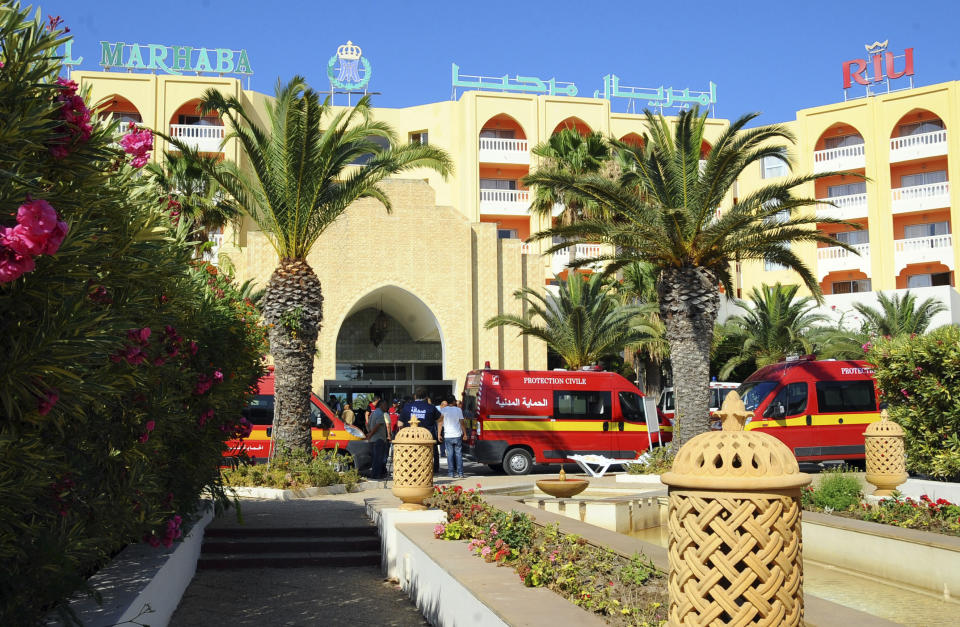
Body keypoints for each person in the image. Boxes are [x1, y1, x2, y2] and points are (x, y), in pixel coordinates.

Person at [399, 388, 441, 472]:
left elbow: (400, 424)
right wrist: (439, 434)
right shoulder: (431, 407)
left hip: (411, 438)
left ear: (415, 396)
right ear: (426, 397)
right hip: (428, 438)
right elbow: (440, 419)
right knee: (428, 455)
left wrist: (403, 434)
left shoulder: (407, 407)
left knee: (412, 456)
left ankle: (412, 470)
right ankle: (430, 470)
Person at [438, 394, 466, 479]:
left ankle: (451, 473)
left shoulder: (443, 410)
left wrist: (439, 434)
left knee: (449, 454)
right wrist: (465, 434)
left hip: (448, 435)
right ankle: (460, 473)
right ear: (454, 401)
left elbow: (440, 423)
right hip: (457, 435)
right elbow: (462, 423)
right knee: (458, 454)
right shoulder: (458, 410)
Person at [365, 399, 391, 479]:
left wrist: (369, 433)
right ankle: (376, 475)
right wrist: (371, 434)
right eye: (385, 405)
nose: (387, 407)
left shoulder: (373, 413)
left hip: (372, 440)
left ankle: (375, 474)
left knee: (374, 458)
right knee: (378, 458)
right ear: (381, 405)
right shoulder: (380, 413)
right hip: (378, 439)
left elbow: (368, 424)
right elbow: (378, 425)